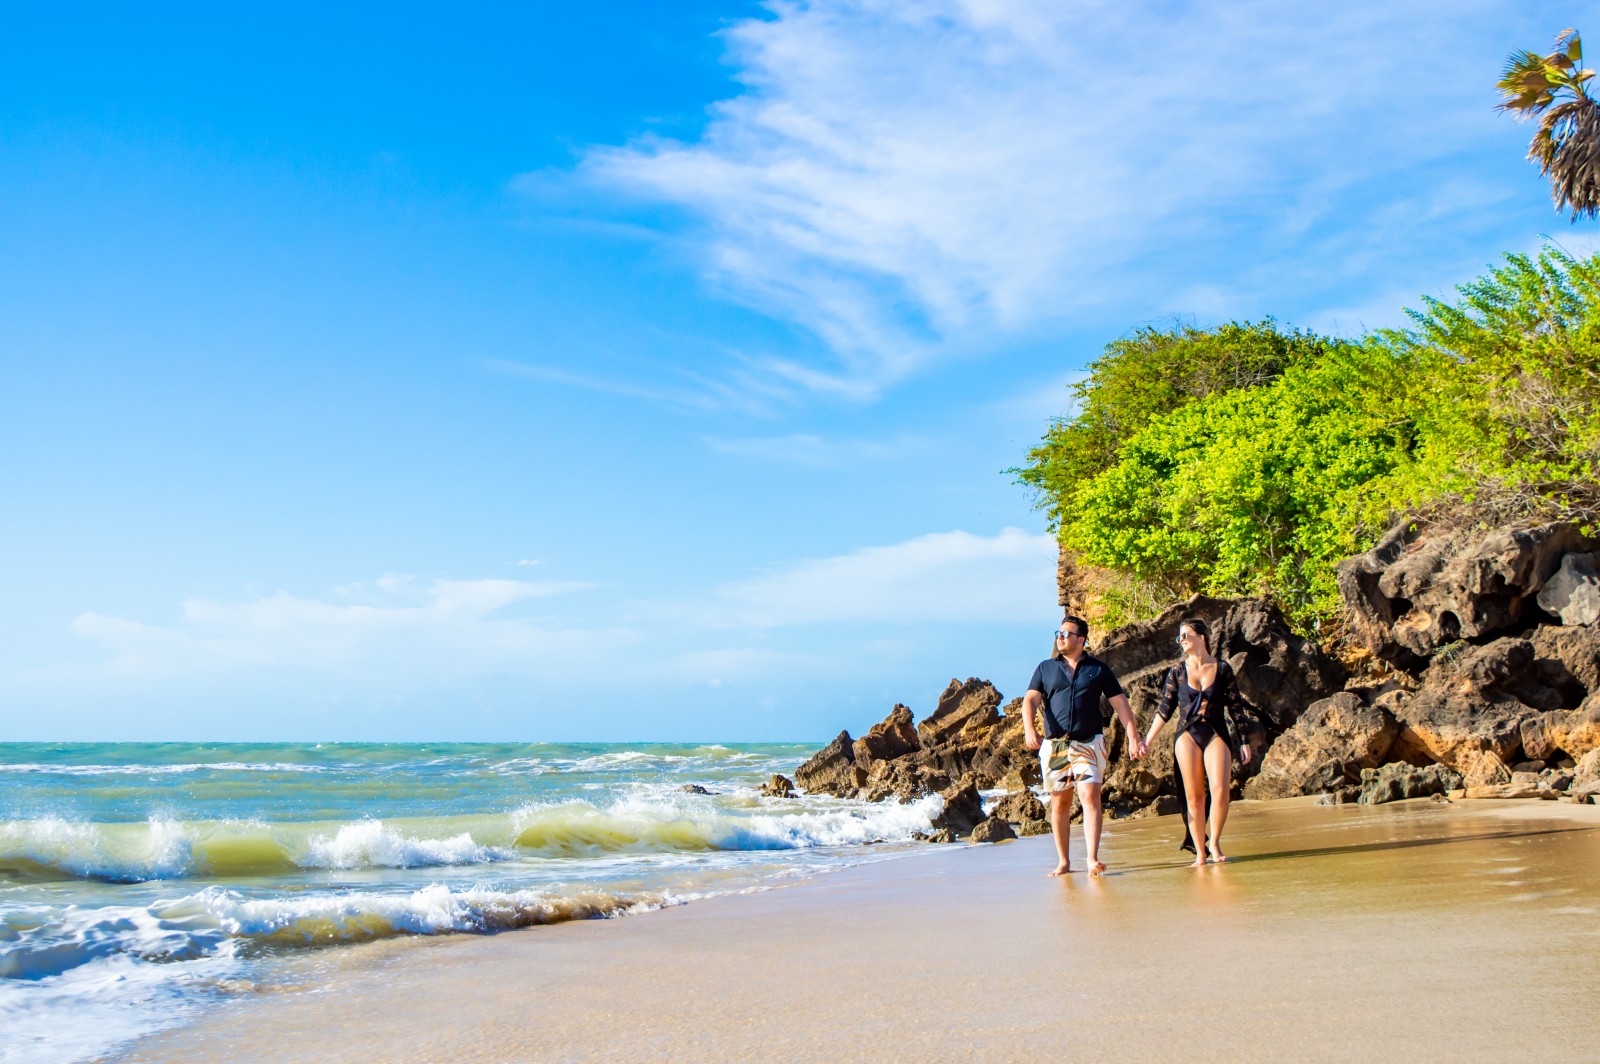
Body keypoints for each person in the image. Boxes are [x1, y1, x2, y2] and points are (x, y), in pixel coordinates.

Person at [1022, 616, 1145, 877]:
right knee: (1060, 803)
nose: (1061, 637)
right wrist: (1029, 728)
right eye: (1059, 632)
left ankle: (1091, 858)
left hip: (1088, 743)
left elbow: (1120, 704)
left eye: (1067, 633)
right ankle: (1064, 861)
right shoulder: (1045, 668)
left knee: (1089, 796)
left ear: (1081, 640)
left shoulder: (1098, 669)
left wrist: (1133, 736)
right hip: (1056, 745)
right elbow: (1030, 700)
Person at [1140, 617, 1258, 867]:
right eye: (1179, 637)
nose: (1181, 640)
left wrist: (1245, 740)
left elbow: (1237, 707)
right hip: (1187, 734)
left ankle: (1214, 842)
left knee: (1220, 790)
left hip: (1216, 732)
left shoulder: (1223, 668)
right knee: (1194, 795)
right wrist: (1147, 741)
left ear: (1201, 638)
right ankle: (1200, 852)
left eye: (1185, 635)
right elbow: (1164, 709)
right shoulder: (1177, 672)